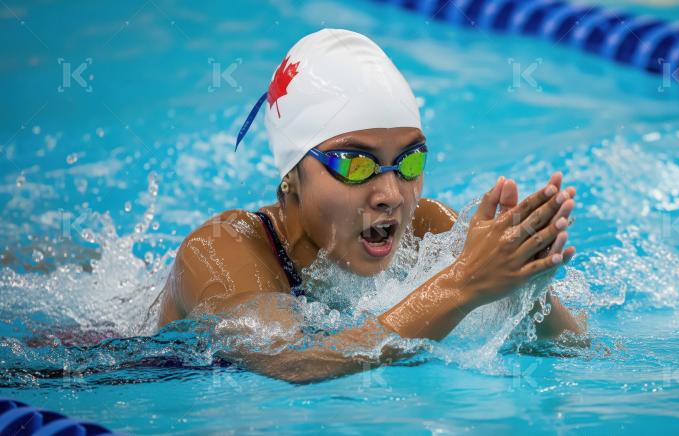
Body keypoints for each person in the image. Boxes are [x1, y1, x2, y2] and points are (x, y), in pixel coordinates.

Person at [157, 29, 584, 383]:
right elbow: (292, 362)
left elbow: (572, 350)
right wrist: (464, 283)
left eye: (409, 161)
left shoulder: (425, 226)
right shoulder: (220, 252)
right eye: (355, 164)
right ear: (291, 175)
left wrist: (525, 287)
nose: (392, 194)